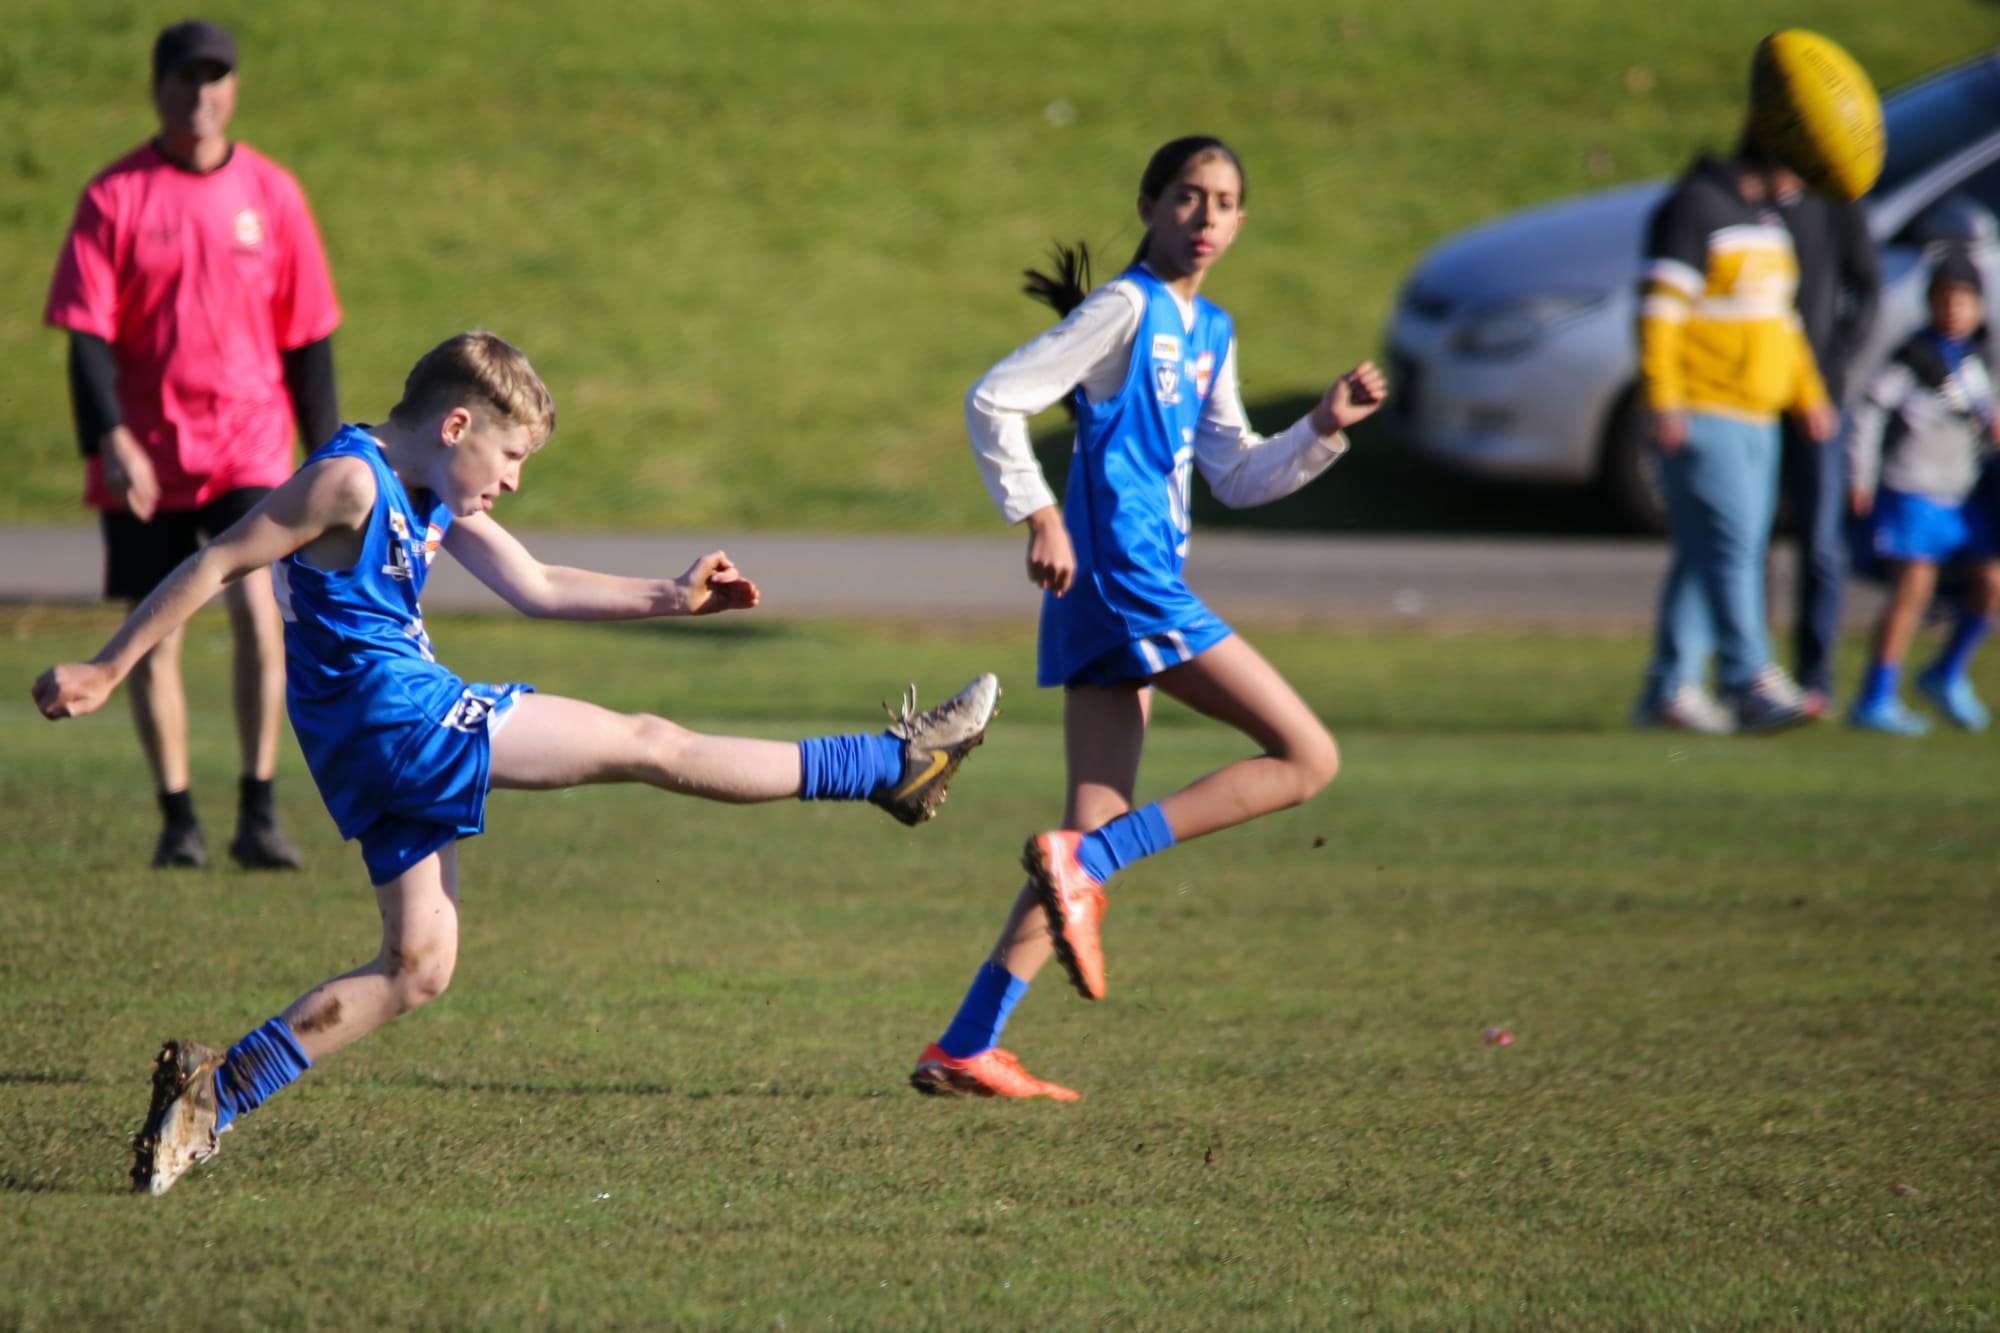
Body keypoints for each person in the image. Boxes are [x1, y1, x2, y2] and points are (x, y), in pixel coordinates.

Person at [32, 331, 1002, 1194]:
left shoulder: (423, 486)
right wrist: (107, 668)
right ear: (457, 424)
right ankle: (886, 765)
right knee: (647, 742)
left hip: (367, 750)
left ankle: (219, 1092)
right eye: (508, 455)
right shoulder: (353, 481)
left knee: (419, 967)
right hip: (400, 723)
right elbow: (216, 561)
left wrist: (669, 597)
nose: (512, 480)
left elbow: (536, 584)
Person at [905, 135, 1388, 1101]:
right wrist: (1039, 512)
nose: (1205, 217)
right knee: (1307, 757)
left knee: (1093, 820)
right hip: (1127, 581)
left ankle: (967, 1041)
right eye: (1187, 197)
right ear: (1149, 203)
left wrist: (1322, 427)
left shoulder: (1209, 330)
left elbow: (1235, 475)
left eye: (1224, 202)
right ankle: (1089, 863)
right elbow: (994, 398)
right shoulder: (1125, 307)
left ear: (1243, 220)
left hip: (1116, 590)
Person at [45, 19, 343, 870]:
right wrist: (109, 437)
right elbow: (86, 335)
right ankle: (178, 815)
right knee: (155, 630)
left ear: (233, 90)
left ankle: (258, 806)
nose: (202, 94)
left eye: (217, 78)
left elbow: (310, 337)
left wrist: (328, 460)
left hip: (249, 442)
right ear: (159, 88)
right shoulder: (116, 196)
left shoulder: (272, 195)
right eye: (187, 78)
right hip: (148, 452)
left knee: (258, 609)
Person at [1632, 128, 1839, 735]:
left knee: (1707, 553)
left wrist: (1810, 394)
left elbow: (1782, 320)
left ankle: (1670, 690)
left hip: (1759, 413)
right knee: (1734, 546)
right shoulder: (1694, 206)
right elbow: (1659, 314)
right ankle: (1749, 678)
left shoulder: (1767, 218)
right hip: (1703, 406)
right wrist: (1664, 401)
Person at [1844, 248, 1998, 734]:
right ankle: (1875, 697)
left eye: (1964, 299)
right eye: (1945, 298)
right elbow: (1869, 412)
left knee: (1991, 582)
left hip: (1960, 493)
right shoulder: (1912, 359)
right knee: (1914, 588)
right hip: (1911, 486)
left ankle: (1946, 673)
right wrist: (1860, 476)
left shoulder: (1975, 362)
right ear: (1930, 303)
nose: (1954, 308)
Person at [1776, 184, 1880, 716]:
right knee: (1743, 545)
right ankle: (1747, 679)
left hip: (1818, 401)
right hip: (1754, 400)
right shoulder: (1747, 198)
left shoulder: (1834, 200)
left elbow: (1867, 285)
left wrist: (1835, 362)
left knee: (1820, 542)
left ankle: (1814, 678)